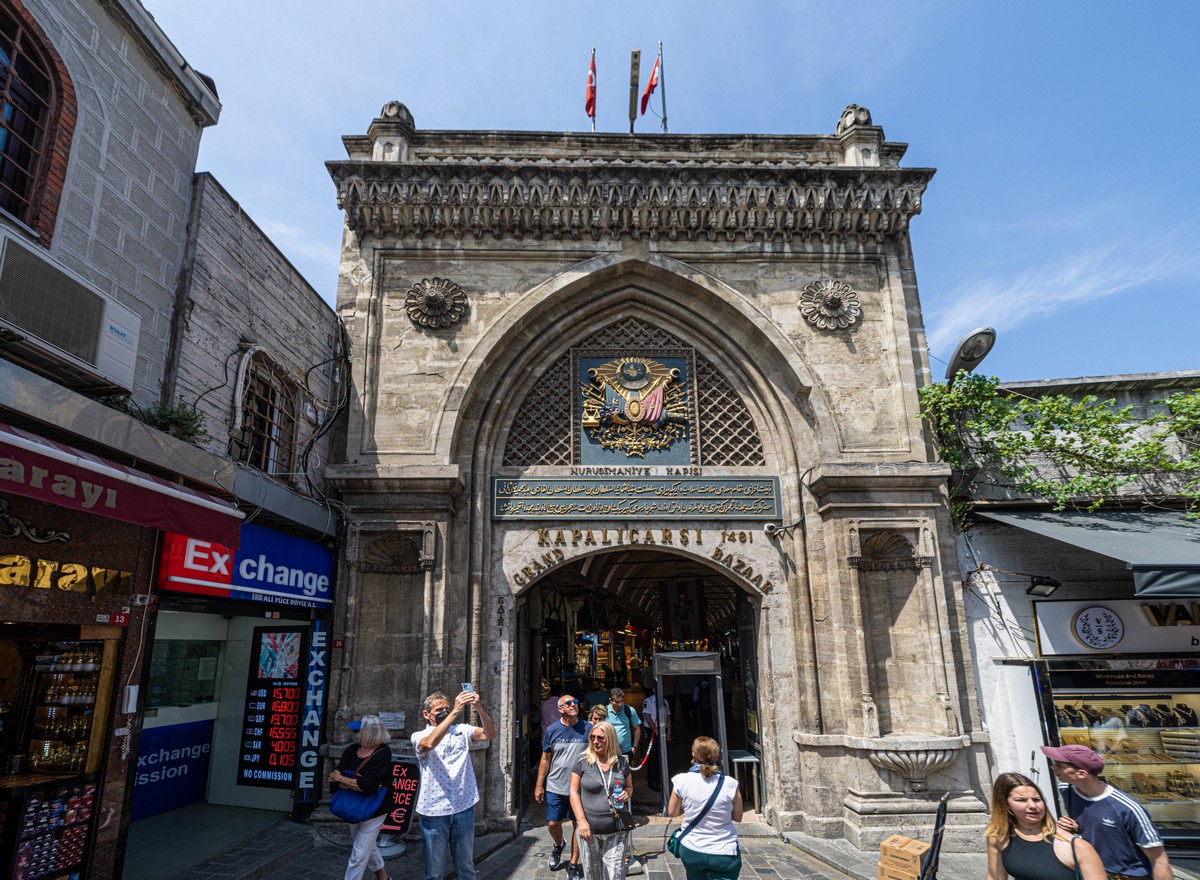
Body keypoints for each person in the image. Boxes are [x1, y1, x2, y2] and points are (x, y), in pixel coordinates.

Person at [1041, 744, 1173, 880]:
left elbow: (1159, 859)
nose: (1053, 767)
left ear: (1081, 774)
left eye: (1060, 766)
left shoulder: (1127, 808)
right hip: (1088, 872)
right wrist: (1073, 827)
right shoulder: (1067, 789)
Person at [412, 689, 497, 880]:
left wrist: (479, 707)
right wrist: (454, 712)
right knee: (434, 873)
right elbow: (428, 745)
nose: (444, 712)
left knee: (466, 867)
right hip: (434, 810)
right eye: (439, 711)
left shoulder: (462, 730)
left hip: (463, 807)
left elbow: (490, 734)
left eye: (446, 709)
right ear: (426, 715)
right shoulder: (419, 736)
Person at [984, 771, 1105, 880]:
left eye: (1036, 799)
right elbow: (995, 877)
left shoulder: (1076, 846)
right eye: (1021, 800)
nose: (1032, 805)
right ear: (1005, 805)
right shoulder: (999, 837)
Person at [667, 736, 743, 880]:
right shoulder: (730, 784)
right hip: (724, 851)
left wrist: (690, 806)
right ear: (717, 756)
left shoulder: (681, 781)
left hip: (692, 849)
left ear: (693, 755)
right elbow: (738, 817)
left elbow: (673, 812)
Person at [329, 715, 394, 880]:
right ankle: (384, 878)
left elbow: (368, 786)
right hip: (353, 805)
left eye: (358, 730)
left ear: (370, 733)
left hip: (375, 808)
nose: (355, 733)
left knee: (359, 854)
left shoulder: (383, 753)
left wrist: (343, 780)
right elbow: (335, 775)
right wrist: (354, 783)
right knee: (365, 846)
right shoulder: (351, 749)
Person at [536, 693, 589, 880]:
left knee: (579, 826)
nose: (574, 704)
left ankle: (573, 864)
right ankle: (559, 845)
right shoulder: (552, 730)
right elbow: (545, 758)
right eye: (569, 703)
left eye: (576, 702)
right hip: (555, 785)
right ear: (560, 709)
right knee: (552, 823)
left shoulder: (587, 729)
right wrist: (539, 785)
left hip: (579, 788)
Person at [569, 721, 632, 880]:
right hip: (589, 832)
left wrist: (627, 793)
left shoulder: (622, 762)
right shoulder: (582, 760)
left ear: (610, 739)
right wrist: (581, 821)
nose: (595, 741)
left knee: (615, 876)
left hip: (617, 829)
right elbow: (573, 791)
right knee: (593, 876)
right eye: (593, 737)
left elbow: (630, 787)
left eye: (600, 738)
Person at [641, 683, 670, 791]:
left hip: (662, 729)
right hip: (652, 730)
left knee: (660, 756)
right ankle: (652, 780)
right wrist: (655, 729)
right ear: (653, 690)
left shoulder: (665, 701)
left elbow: (668, 717)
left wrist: (669, 732)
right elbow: (647, 716)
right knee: (652, 756)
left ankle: (658, 778)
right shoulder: (649, 701)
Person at [605, 688, 641, 757]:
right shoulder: (604, 711)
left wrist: (634, 747)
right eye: (617, 702)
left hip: (626, 751)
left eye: (621, 701)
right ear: (610, 700)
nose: (619, 704)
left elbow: (637, 729)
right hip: (609, 752)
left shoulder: (629, 710)